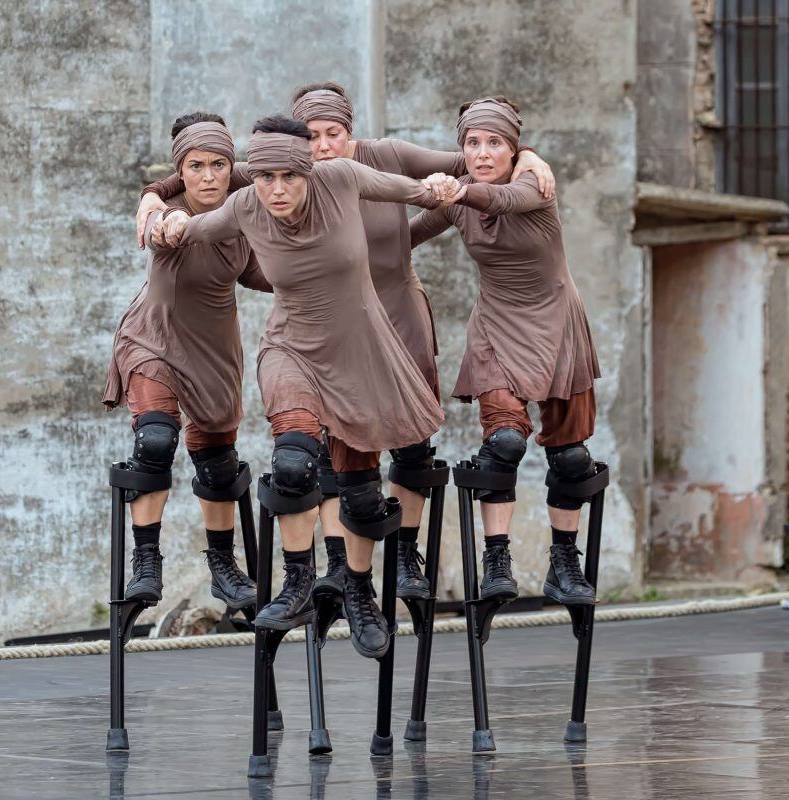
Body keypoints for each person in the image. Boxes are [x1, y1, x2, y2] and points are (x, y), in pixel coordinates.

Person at [136, 83, 555, 604]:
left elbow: (466, 168)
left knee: (406, 447)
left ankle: (400, 559)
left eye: (332, 133)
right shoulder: (270, 183)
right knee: (319, 457)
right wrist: (157, 199)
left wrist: (527, 156)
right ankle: (326, 572)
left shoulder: (367, 164)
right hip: (314, 331)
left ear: (348, 132)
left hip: (391, 315)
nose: (323, 145)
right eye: (312, 136)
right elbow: (212, 174)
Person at [155, 115, 453, 657]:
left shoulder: (341, 178)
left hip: (357, 354)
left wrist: (445, 186)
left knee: (361, 494)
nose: (276, 189)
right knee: (293, 464)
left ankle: (358, 591)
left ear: (308, 171)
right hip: (289, 348)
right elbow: (189, 223)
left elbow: (419, 192)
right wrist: (158, 211)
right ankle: (297, 585)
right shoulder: (245, 206)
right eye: (264, 177)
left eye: (288, 176)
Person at [409, 96, 601, 606]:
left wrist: (459, 186)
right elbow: (406, 235)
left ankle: (564, 562)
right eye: (472, 143)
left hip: (559, 323)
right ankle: (496, 562)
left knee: (570, 456)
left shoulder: (533, 182)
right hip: (497, 326)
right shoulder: (459, 197)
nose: (482, 152)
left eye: (495, 143)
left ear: (514, 150)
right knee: (505, 444)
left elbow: (502, 201)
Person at [103, 113, 272, 611]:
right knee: (155, 440)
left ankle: (223, 566)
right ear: (181, 171)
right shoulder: (165, 213)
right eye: (195, 166)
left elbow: (256, 270)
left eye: (219, 165)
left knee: (218, 464)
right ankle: (146, 562)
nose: (208, 176)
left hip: (214, 348)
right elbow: (160, 228)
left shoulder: (245, 204)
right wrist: (157, 207)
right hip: (153, 339)